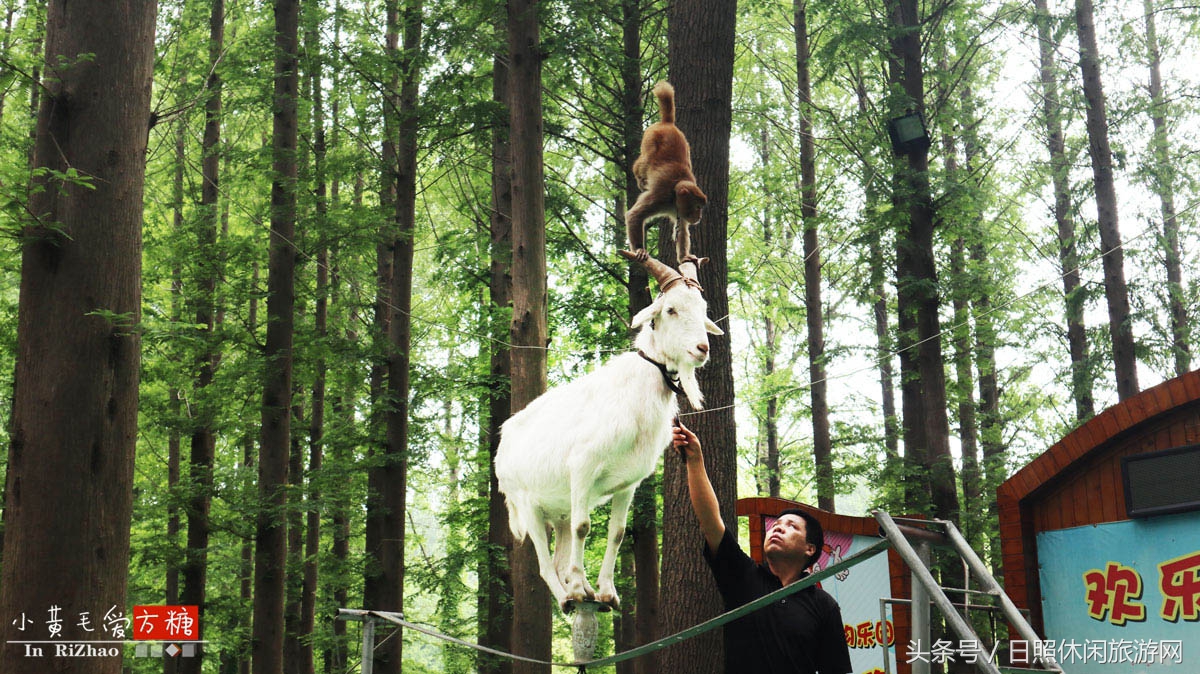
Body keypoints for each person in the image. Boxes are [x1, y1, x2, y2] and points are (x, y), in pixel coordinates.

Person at [673, 420, 852, 674]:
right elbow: (710, 521)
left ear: (810, 549)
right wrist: (694, 460)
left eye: (791, 526)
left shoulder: (824, 606)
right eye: (776, 524)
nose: (778, 528)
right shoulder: (743, 577)